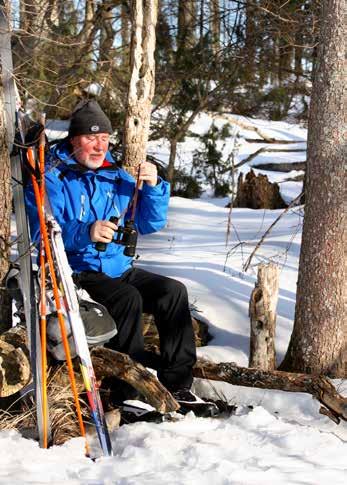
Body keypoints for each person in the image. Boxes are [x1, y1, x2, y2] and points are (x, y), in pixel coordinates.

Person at [26, 100, 218, 417]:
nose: (99, 145)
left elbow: (149, 223)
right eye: (91, 138)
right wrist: (85, 231)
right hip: (76, 271)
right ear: (74, 139)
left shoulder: (115, 174)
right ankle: (127, 393)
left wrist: (155, 187)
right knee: (127, 298)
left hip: (118, 267)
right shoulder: (54, 176)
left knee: (173, 292)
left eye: (104, 138)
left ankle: (179, 385)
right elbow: (41, 229)